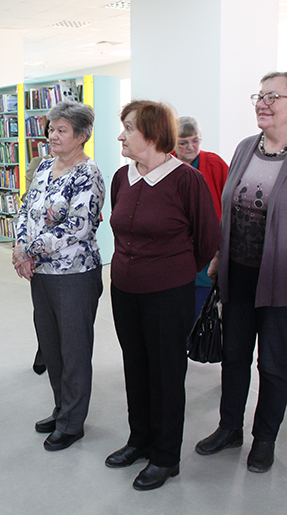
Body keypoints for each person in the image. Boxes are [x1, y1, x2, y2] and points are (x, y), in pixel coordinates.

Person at [195, 72, 287, 474]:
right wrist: (219, 256)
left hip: (284, 279)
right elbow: (230, 210)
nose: (262, 103)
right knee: (234, 357)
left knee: (274, 364)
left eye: (272, 96)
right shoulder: (245, 148)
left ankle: (264, 439)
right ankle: (229, 429)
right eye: (259, 96)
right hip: (238, 275)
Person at [105, 101, 220, 491]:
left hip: (168, 294)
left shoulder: (186, 180)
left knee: (166, 373)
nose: (120, 136)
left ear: (153, 134)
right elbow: (118, 225)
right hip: (124, 290)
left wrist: (173, 272)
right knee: (135, 366)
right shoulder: (122, 177)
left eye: (128, 128)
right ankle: (139, 440)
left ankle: (166, 456)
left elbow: (207, 240)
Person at [12, 100, 105, 452]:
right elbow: (25, 209)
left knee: (74, 351)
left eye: (61, 130)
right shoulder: (43, 167)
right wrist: (20, 247)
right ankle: (61, 408)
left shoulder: (88, 174)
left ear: (82, 136)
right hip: (42, 273)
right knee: (51, 347)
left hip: (74, 275)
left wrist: (30, 251)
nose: (52, 135)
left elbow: (77, 227)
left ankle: (72, 423)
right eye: (51, 129)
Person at [174, 116, 230, 315]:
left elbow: (230, 201)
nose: (190, 147)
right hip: (176, 247)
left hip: (206, 245)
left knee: (202, 307)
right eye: (183, 142)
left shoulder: (215, 163)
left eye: (195, 140)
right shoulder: (164, 163)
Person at [23, 118, 50, 376]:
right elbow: (29, 201)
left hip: (68, 252)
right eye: (51, 130)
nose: (55, 136)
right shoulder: (38, 164)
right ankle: (44, 348)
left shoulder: (84, 168)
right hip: (38, 246)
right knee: (42, 308)